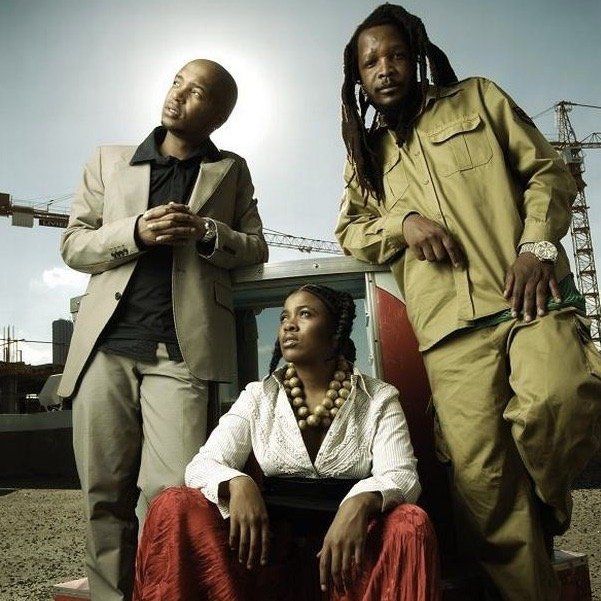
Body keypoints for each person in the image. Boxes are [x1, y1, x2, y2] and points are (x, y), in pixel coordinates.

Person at [335, 5, 601, 600]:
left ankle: (547, 503)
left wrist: (535, 246)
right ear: (359, 79)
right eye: (371, 62)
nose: (385, 68)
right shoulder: (366, 158)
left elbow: (547, 173)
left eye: (395, 54)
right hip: (448, 334)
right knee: (484, 491)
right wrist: (402, 222)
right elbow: (351, 230)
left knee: (559, 396)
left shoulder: (477, 99)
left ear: (416, 57)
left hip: (528, 299)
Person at [58, 59, 268, 601]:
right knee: (102, 494)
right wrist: (134, 232)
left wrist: (207, 231)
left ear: (217, 115)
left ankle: (160, 594)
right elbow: (74, 245)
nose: (178, 95)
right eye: (178, 82)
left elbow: (255, 247)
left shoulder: (231, 170)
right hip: (105, 347)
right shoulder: (108, 160)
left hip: (182, 353)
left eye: (196, 92)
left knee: (172, 492)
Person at [132, 284, 441, 601]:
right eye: (284, 317)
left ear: (335, 330)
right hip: (267, 550)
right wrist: (237, 482)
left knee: (410, 523)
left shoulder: (377, 397)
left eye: (305, 314)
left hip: (350, 555)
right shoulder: (258, 395)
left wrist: (360, 503)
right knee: (175, 503)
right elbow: (202, 465)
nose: (289, 325)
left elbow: (401, 475)